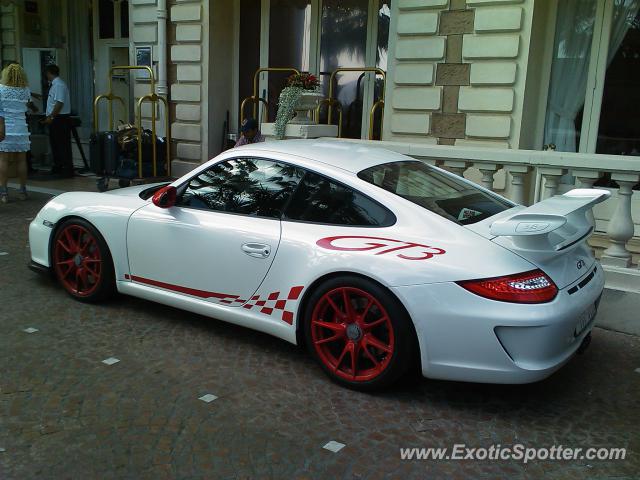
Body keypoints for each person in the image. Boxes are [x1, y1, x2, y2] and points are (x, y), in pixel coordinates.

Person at [0, 64, 37, 204]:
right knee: (22, 160)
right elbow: (30, 105)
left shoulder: (1, 89)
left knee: (3, 160)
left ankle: (4, 193)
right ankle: (22, 191)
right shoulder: (25, 90)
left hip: (5, 127)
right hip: (21, 128)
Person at [42, 64, 73, 177]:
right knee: (55, 143)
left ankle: (66, 168)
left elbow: (59, 103)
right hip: (56, 118)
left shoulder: (59, 85)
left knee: (62, 144)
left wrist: (51, 117)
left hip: (60, 118)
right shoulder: (54, 85)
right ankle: (58, 166)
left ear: (49, 73)